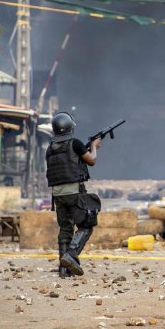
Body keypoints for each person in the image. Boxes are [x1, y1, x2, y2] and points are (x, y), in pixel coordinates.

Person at [46, 111, 101, 278]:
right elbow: (91, 161)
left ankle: (64, 270)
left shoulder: (50, 148)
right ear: (70, 127)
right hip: (74, 192)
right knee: (87, 225)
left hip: (57, 194)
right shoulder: (75, 143)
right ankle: (71, 255)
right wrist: (94, 147)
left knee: (65, 229)